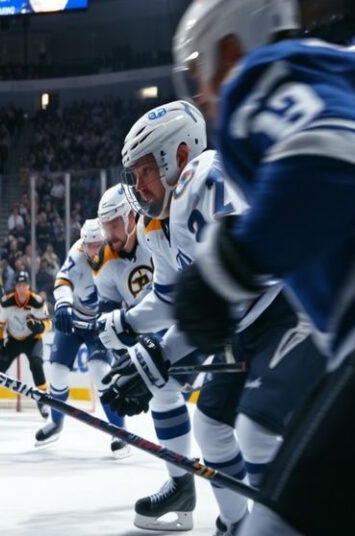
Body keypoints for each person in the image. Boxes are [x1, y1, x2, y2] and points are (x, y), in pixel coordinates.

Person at [170, 0, 355, 535]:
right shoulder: (346, 67)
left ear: (228, 47)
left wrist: (225, 272)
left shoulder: (262, 72)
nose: (203, 93)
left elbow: (338, 158)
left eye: (201, 73)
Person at [99, 100, 324, 534]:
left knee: (256, 432)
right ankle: (237, 524)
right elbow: (171, 298)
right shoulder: (155, 225)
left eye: (146, 170)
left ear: (180, 155)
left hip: (286, 309)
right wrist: (132, 329)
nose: (139, 185)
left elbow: (242, 274)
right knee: (212, 427)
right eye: (136, 174)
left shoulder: (204, 177)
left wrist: (161, 353)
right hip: (242, 326)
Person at [34, 218, 131, 458]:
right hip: (75, 321)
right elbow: (63, 281)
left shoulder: (115, 254)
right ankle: (56, 422)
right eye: (90, 245)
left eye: (98, 244)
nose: (94, 250)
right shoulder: (76, 254)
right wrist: (64, 304)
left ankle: (120, 432)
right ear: (83, 243)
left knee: (100, 372)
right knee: (56, 371)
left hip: (100, 322)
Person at [0, 270, 51, 417]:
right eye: (19, 285)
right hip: (13, 340)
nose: (22, 289)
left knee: (36, 365)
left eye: (24, 285)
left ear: (29, 286)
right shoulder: (6, 302)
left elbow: (49, 322)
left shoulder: (38, 302)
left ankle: (43, 403)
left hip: (32, 339)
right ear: (15, 286)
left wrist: (41, 328)